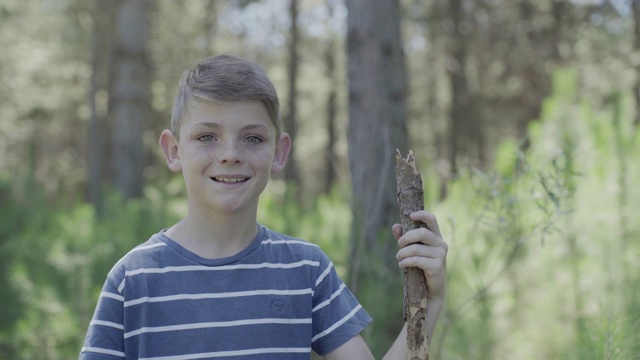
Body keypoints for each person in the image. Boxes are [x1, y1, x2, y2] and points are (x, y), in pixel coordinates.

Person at [79, 54, 447, 360]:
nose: (230, 155)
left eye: (252, 138)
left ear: (279, 152)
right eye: (207, 137)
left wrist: (430, 301)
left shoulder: (306, 270)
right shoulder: (132, 279)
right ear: (174, 151)